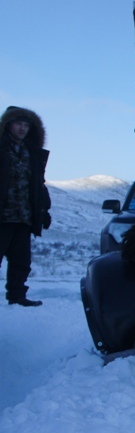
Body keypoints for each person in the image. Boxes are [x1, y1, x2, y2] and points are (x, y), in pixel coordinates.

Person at [0, 106, 52, 307]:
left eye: (25, 125)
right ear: (8, 125)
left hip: (24, 216)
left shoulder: (33, 154)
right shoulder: (2, 149)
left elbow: (39, 185)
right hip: (2, 216)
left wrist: (44, 211)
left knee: (21, 261)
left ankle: (17, 297)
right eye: (18, 124)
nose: (22, 129)